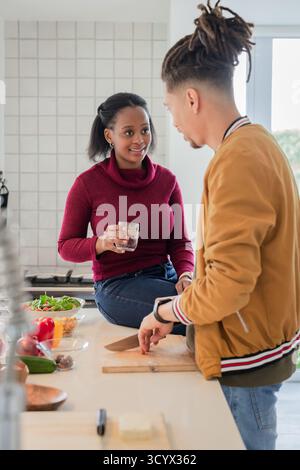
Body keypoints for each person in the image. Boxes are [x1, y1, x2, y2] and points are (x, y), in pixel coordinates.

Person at [137, 1, 300, 451]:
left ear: (192, 99)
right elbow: (240, 263)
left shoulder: (237, 161)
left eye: (169, 108)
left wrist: (163, 312)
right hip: (254, 353)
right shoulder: (256, 144)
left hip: (244, 366)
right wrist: (189, 291)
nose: (170, 121)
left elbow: (230, 287)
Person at [58, 92, 194, 334]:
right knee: (194, 315)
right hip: (117, 285)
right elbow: (65, 246)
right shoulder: (88, 183)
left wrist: (185, 274)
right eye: (128, 132)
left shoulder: (167, 180)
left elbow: (181, 242)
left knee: (211, 306)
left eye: (145, 130)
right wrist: (102, 243)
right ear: (109, 135)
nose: (140, 139)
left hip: (167, 276)